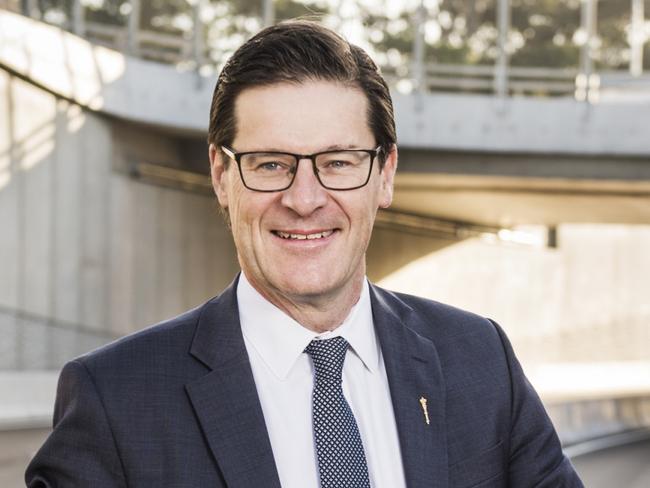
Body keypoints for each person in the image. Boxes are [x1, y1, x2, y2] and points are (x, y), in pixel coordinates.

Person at [25, 20, 583, 488]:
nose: (305, 199)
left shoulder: (479, 360)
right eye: (271, 163)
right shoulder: (116, 399)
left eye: (338, 162)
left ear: (384, 175)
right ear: (222, 176)